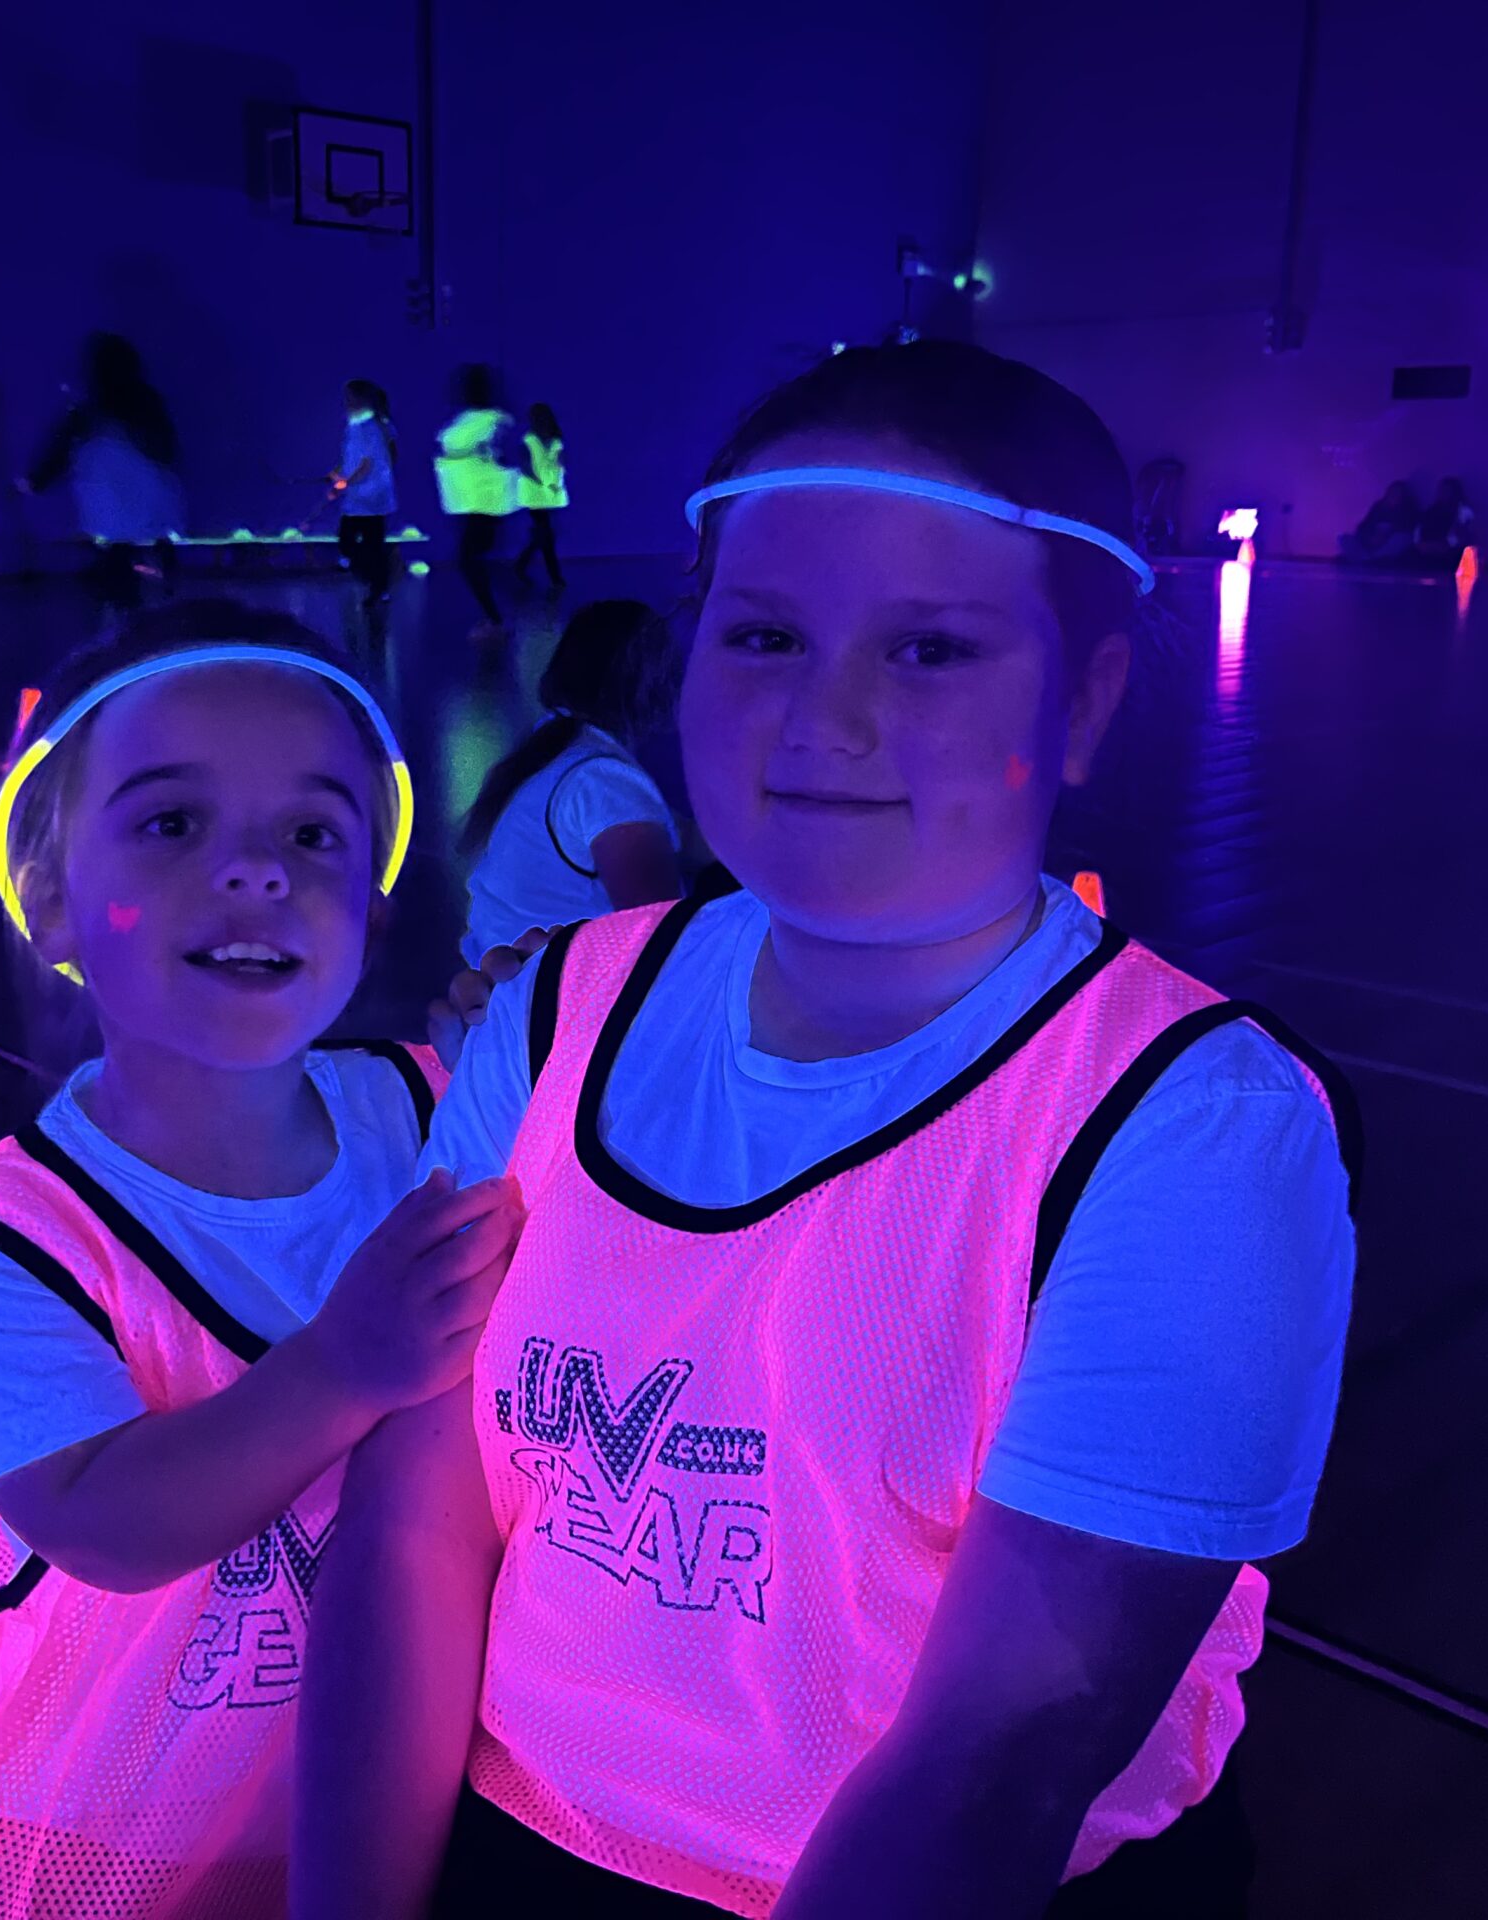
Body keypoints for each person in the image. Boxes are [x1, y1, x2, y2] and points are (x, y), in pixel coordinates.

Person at [296, 342, 1359, 1920]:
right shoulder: (556, 1009)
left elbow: (1002, 1752)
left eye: (929, 650)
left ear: (1088, 702)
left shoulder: (1190, 1133)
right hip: (519, 1841)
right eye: (768, 633)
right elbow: (415, 1521)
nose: (824, 717)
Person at [0, 602, 525, 1920]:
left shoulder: (430, 1102)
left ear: (371, 915)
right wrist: (340, 1368)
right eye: (171, 823)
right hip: (122, 1830)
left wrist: (546, 1042)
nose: (258, 870)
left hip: (403, 1785)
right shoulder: (7, 1235)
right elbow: (103, 1522)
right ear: (47, 899)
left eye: (314, 834)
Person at [456, 598, 682, 966]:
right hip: (561, 999)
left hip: (500, 980)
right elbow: (662, 936)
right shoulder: (604, 780)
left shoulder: (556, 745)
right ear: (651, 682)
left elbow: (675, 835)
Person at [24, 333, 188, 617]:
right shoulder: (140, 405)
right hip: (147, 509)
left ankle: (129, 608)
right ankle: (153, 604)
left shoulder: (90, 413)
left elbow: (60, 449)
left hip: (115, 514)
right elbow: (167, 448)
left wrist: (34, 482)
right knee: (135, 561)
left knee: (119, 561)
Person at [435, 365, 523, 636]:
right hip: (476, 500)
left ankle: (497, 617)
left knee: (470, 559)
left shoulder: (489, 420)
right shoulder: (485, 419)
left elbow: (458, 444)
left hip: (484, 501)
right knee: (475, 558)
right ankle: (497, 615)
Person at [332, 379, 399, 616]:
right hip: (358, 495)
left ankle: (378, 585)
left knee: (365, 543)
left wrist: (346, 481)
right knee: (353, 543)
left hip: (372, 496)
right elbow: (351, 456)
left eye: (350, 397)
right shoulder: (354, 426)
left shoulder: (373, 428)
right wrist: (339, 473)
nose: (346, 402)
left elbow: (368, 462)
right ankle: (377, 583)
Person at [515, 403, 569, 592]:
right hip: (535, 494)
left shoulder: (555, 439)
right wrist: (545, 482)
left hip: (550, 493)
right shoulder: (529, 440)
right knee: (546, 535)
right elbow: (525, 467)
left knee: (544, 536)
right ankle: (555, 578)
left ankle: (521, 566)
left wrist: (557, 479)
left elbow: (561, 462)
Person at [1337, 480, 1420, 565]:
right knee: (1343, 538)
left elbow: (1410, 528)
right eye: (1393, 493)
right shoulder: (1378, 507)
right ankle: (1366, 559)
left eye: (1399, 494)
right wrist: (1369, 538)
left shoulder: (1409, 510)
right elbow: (1363, 526)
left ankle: (1371, 560)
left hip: (1389, 545)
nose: (1395, 496)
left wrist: (1387, 535)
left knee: (1402, 539)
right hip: (1370, 545)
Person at [1415, 477, 1476, 566]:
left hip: (1450, 551)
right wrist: (1422, 544)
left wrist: (1443, 545)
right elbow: (1420, 529)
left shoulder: (1463, 511)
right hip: (1428, 548)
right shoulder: (1432, 511)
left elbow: (1462, 534)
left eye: (1447, 490)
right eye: (1442, 490)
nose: (1443, 493)